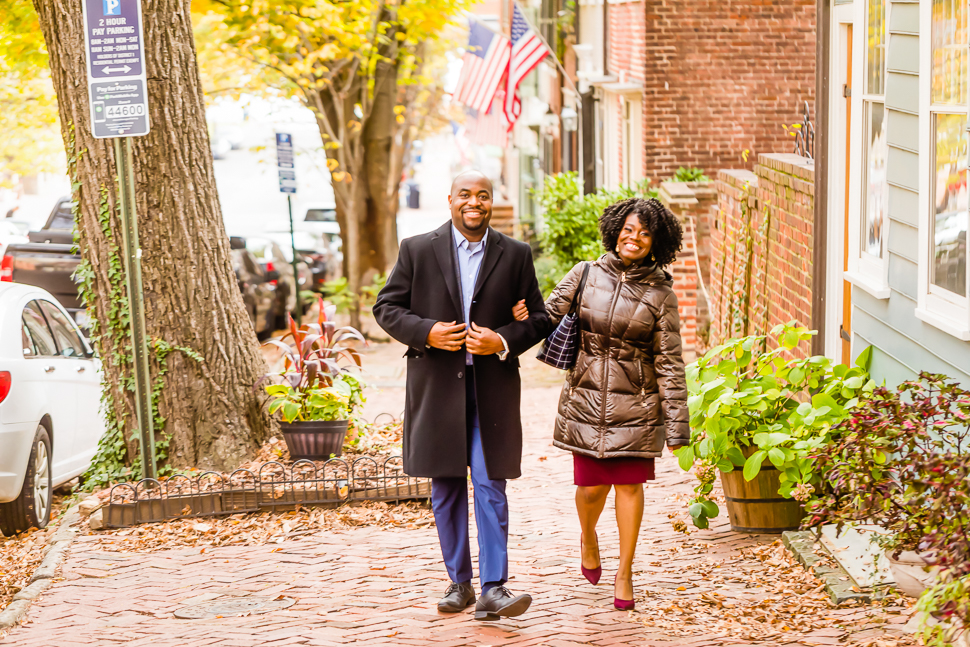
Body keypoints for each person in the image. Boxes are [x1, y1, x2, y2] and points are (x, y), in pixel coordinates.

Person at [373, 170, 551, 621]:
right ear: (450, 199)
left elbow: (541, 318)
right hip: (436, 392)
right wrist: (427, 331)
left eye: (484, 196)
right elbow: (386, 308)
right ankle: (460, 583)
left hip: (491, 392)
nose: (475, 203)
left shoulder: (515, 254)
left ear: (492, 202)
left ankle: (495, 587)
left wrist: (504, 339)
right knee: (446, 488)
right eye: (466, 195)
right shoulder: (417, 249)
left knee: (491, 485)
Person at [513, 197, 689, 610]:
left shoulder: (661, 293)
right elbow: (546, 316)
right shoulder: (585, 274)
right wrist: (520, 316)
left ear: (655, 242)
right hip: (586, 402)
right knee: (591, 489)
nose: (635, 239)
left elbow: (669, 360)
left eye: (645, 234)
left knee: (629, 486)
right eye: (629, 230)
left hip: (638, 407)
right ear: (615, 231)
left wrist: (678, 424)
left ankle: (625, 570)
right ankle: (588, 536)